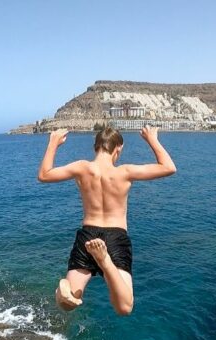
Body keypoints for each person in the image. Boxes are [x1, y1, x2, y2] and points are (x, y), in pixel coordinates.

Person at [37, 125, 176, 315]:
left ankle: (65, 291)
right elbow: (169, 167)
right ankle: (106, 263)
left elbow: (44, 175)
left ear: (96, 147)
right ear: (118, 149)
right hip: (116, 237)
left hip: (87, 236)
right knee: (124, 308)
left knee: (69, 302)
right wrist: (152, 139)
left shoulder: (81, 168)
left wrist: (53, 143)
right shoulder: (125, 172)